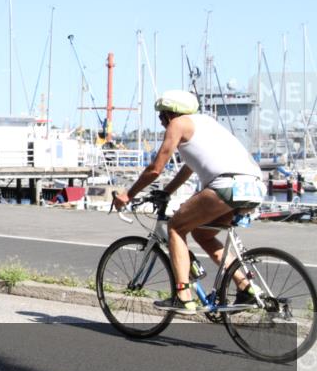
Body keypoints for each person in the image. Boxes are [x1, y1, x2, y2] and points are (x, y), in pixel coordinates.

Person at [112, 90, 266, 315]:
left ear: (170, 113)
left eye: (161, 115)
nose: (161, 121)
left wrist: (129, 194)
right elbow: (189, 167)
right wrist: (166, 191)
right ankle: (246, 287)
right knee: (202, 234)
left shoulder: (178, 125)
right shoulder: (206, 124)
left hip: (227, 185)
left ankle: (183, 296)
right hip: (254, 186)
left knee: (175, 227)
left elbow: (155, 168)